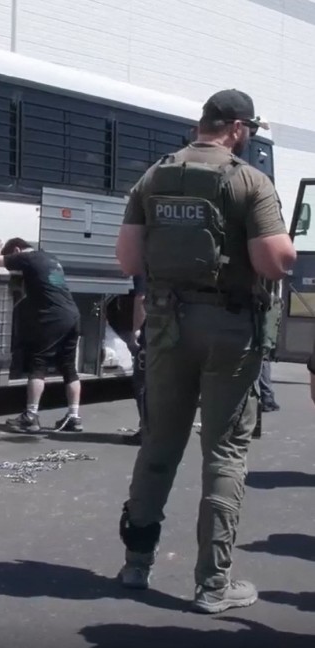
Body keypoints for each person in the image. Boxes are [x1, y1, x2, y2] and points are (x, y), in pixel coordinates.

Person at [113, 89, 296, 614]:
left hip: (168, 324)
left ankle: (135, 564)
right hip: (230, 328)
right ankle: (213, 583)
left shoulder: (155, 176)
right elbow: (274, 261)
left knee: (160, 443)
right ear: (238, 128)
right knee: (225, 451)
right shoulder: (248, 180)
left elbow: (128, 259)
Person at [0, 238, 83, 434]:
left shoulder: (27, 258)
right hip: (72, 314)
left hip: (52, 317)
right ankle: (74, 416)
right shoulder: (49, 258)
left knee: (39, 364)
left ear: (18, 251)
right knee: (69, 367)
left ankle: (30, 416)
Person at [124, 275, 147, 446]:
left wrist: (136, 331)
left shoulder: (147, 264)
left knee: (143, 382)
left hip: (153, 333)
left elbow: (142, 298)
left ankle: (146, 430)